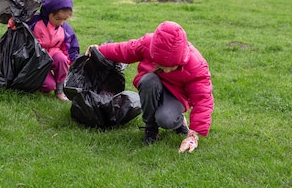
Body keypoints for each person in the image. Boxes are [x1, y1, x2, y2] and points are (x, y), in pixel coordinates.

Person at [86, 21, 213, 153]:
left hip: (177, 95)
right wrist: (100, 50)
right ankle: (151, 129)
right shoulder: (147, 43)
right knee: (148, 80)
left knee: (166, 119)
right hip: (152, 86)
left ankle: (179, 121)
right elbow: (125, 50)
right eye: (162, 66)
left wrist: (193, 134)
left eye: (172, 67)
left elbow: (203, 98)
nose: (167, 71)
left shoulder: (196, 65)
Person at [8, 0, 79, 101]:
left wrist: (77, 61)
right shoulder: (35, 21)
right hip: (36, 61)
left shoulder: (64, 28)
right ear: (49, 12)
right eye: (57, 19)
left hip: (53, 56)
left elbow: (72, 47)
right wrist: (13, 24)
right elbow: (20, 28)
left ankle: (60, 90)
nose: (61, 23)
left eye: (64, 20)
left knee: (61, 59)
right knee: (48, 86)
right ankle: (35, 81)